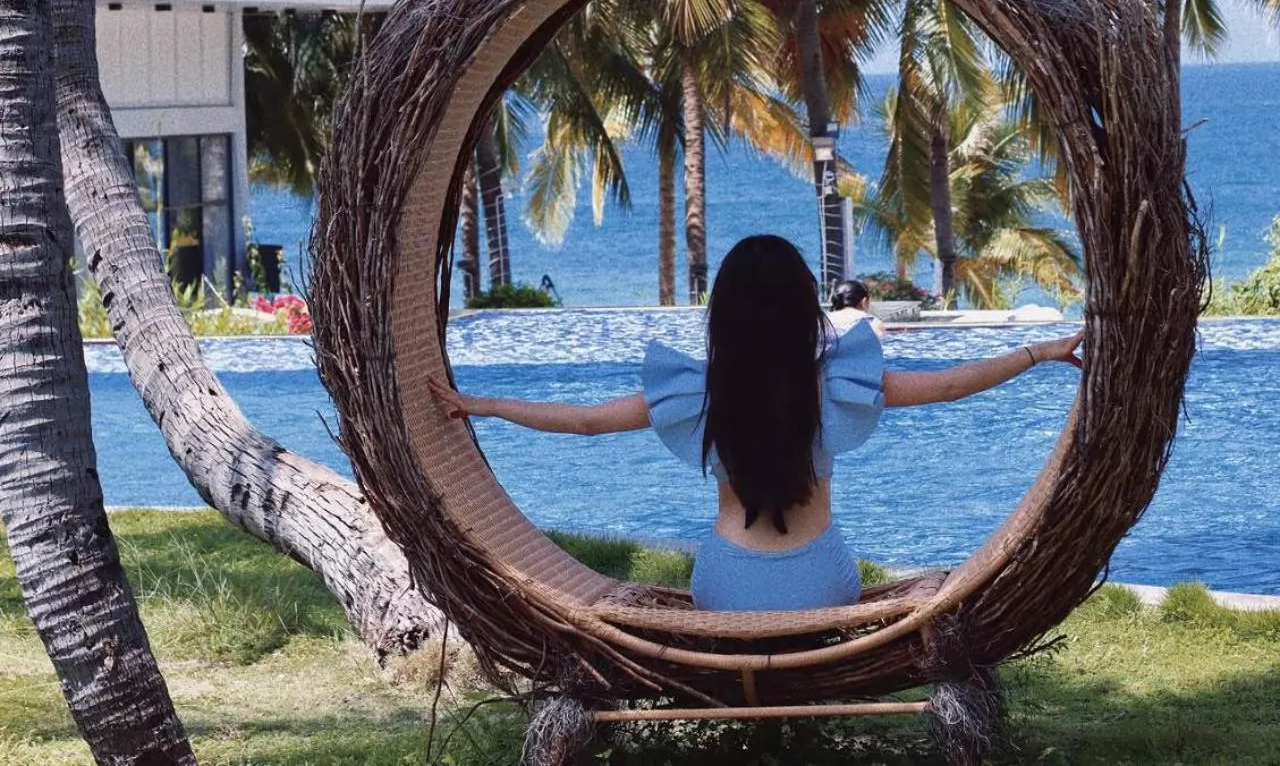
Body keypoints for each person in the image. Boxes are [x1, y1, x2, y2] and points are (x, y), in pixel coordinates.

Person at [428, 233, 1083, 614]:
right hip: (824, 584)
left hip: (725, 587)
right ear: (803, 306)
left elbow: (586, 424)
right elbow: (946, 386)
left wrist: (481, 405)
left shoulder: (702, 395)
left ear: (726, 315)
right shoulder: (837, 385)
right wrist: (1038, 352)